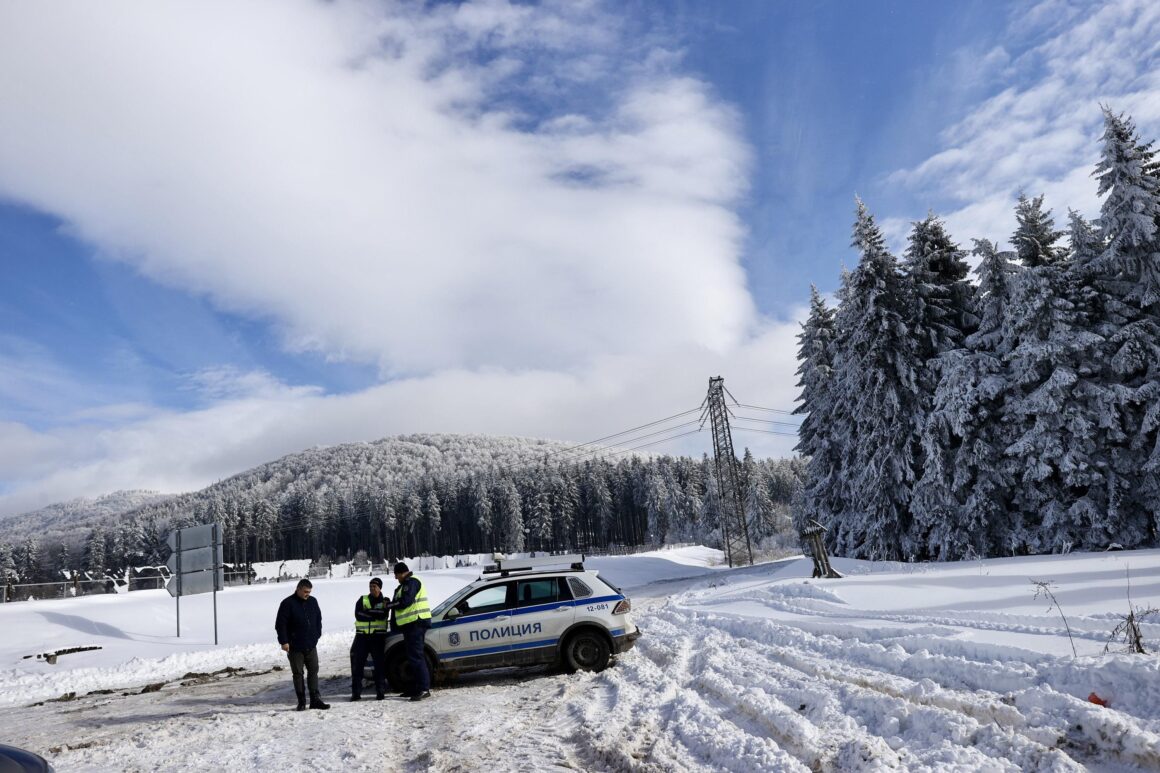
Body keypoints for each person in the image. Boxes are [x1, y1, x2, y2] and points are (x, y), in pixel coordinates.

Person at [275, 578, 330, 711]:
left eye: (309, 592)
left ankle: (315, 700)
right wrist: (284, 641)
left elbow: (318, 618)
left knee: (313, 671)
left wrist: (317, 634)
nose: (307, 594)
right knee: (298, 674)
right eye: (305, 592)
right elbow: (280, 624)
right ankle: (301, 701)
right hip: (295, 646)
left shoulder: (313, 601)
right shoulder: (287, 603)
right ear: (298, 589)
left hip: (311, 644)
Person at [385, 562, 432, 701]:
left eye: (396, 574)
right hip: (410, 625)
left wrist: (390, 605)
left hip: (416, 623)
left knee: (416, 656)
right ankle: (417, 687)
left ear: (402, 573)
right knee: (412, 657)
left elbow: (406, 601)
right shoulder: (404, 585)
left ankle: (423, 688)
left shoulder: (411, 582)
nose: (395, 578)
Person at [349, 577, 389, 701]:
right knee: (358, 666)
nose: (372, 588)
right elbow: (358, 615)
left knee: (379, 666)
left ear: (380, 588)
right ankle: (356, 693)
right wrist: (374, 613)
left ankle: (380, 692)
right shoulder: (362, 599)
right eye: (370, 586)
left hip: (377, 637)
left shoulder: (385, 601)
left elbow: (383, 614)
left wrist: (368, 612)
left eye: (374, 586)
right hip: (362, 637)